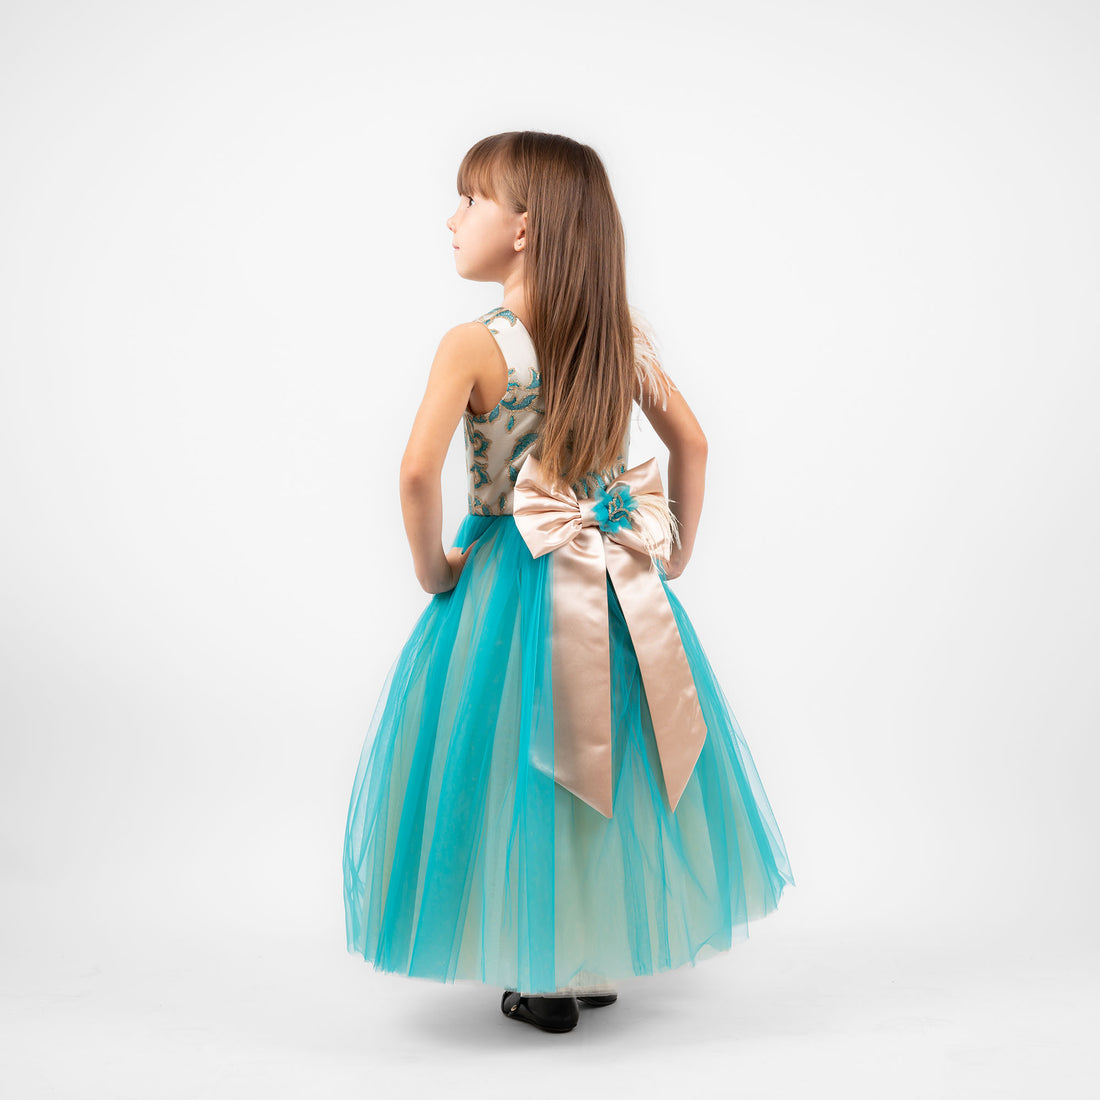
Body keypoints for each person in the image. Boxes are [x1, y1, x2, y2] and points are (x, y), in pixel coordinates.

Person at [342, 130, 795, 1035]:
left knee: (517, 753)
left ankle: (542, 971)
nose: (452, 218)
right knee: (610, 750)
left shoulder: (473, 345)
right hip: (614, 577)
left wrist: (434, 569)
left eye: (470, 199)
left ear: (523, 227)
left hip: (507, 582)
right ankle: (590, 954)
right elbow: (693, 443)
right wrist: (673, 553)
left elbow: (416, 472)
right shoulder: (616, 338)